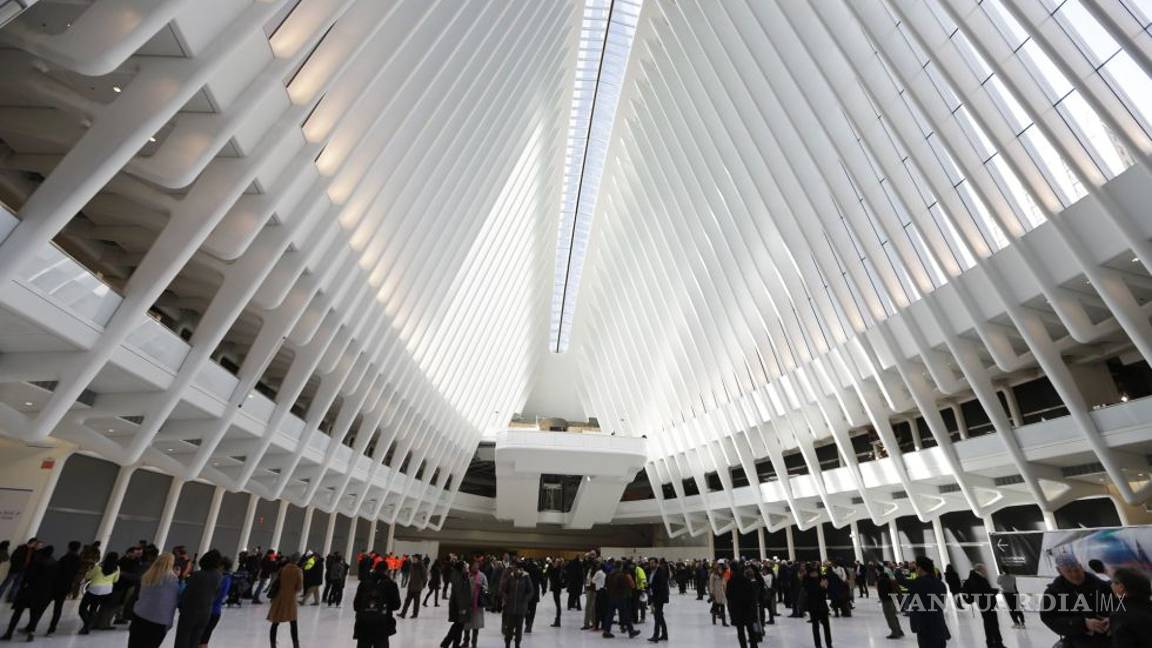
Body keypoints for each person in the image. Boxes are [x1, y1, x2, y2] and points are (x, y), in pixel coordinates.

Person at [1039, 555, 1112, 648]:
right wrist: (1084, 624)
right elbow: (1049, 618)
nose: (1075, 575)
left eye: (1077, 570)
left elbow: (1119, 602)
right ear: (1059, 571)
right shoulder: (1053, 592)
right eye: (1068, 571)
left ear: (1081, 566)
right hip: (1077, 641)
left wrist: (1112, 619)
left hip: (1107, 639)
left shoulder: (1096, 582)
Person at [2, 545, 57, 641]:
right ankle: (30, 633)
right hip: (41, 593)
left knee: (18, 612)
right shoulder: (54, 564)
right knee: (34, 614)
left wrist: (22, 586)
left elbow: (27, 575)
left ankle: (9, 633)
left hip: (28, 590)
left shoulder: (36, 561)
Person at [128, 553, 180, 648]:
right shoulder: (172, 580)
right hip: (159, 621)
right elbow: (171, 603)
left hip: (139, 615)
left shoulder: (147, 576)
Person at [172, 550, 223, 648]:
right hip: (205, 612)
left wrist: (181, 606)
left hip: (190, 612)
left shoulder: (197, 575)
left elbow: (187, 593)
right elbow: (216, 593)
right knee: (195, 640)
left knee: (182, 639)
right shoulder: (218, 576)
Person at [904, 556, 950, 648]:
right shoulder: (941, 584)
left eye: (916, 568)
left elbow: (913, 604)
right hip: (939, 626)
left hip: (925, 628)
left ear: (920, 568)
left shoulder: (918, 583)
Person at [353, 561, 400, 648]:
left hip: (364, 624)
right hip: (382, 624)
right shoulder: (391, 584)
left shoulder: (364, 583)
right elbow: (396, 605)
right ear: (386, 570)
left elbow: (356, 605)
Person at [43, 541, 81, 636]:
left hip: (55, 585)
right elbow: (75, 574)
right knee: (58, 608)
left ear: (69, 547)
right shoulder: (78, 560)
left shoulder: (65, 558)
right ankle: (52, 629)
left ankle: (31, 627)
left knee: (42, 605)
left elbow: (56, 570)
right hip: (65, 587)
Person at [79, 551, 120, 634]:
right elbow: (116, 580)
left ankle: (87, 624)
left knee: (82, 608)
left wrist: (88, 574)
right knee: (94, 608)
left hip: (94, 589)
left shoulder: (99, 567)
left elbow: (88, 576)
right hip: (106, 591)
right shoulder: (117, 568)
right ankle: (88, 626)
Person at [963, 564, 1003, 648]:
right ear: (980, 570)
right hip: (986, 604)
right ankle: (997, 644)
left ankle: (991, 643)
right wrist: (995, 591)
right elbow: (984, 592)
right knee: (993, 624)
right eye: (984, 569)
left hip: (983, 604)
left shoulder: (974, 578)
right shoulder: (978, 579)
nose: (986, 571)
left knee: (988, 624)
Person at [1109, 567, 1152, 648]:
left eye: (1113, 582)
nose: (1111, 585)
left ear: (1121, 587)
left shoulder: (1120, 615)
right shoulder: (1147, 606)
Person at [267, 555, 303, 648]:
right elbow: (299, 587)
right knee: (293, 623)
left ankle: (273, 644)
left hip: (280, 597)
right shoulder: (298, 571)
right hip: (291, 598)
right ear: (297, 561)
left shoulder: (283, 569)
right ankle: (296, 645)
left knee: (275, 622)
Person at [499, 561, 537, 648]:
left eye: (516, 568)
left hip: (521, 609)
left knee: (519, 629)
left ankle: (517, 645)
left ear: (521, 569)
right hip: (510, 608)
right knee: (509, 629)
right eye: (514, 568)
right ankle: (507, 644)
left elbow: (531, 591)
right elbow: (503, 589)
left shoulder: (526, 577)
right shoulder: (510, 577)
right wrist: (506, 597)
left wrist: (526, 599)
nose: (515, 570)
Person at [199, 556, 232, 648]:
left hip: (211, 611)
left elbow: (218, 595)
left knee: (203, 639)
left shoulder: (224, 578)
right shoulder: (225, 578)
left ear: (222, 566)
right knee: (203, 638)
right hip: (214, 611)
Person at [726, 562, 760, 648]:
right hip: (748, 609)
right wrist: (753, 611)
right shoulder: (746, 580)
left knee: (740, 632)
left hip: (737, 611)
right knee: (750, 630)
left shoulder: (731, 582)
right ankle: (754, 646)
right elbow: (752, 597)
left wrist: (731, 613)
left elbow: (729, 597)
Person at [440, 560, 471, 648]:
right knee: (458, 625)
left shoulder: (461, 576)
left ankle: (455, 644)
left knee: (459, 626)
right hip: (459, 606)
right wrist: (462, 608)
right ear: (462, 568)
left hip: (459, 605)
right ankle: (446, 643)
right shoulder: (459, 578)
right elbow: (459, 594)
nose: (467, 568)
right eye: (466, 567)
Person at [803, 564, 832, 648]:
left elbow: (824, 593)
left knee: (826, 626)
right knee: (815, 627)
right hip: (813, 606)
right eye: (813, 572)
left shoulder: (821, 578)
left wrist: (825, 587)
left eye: (816, 572)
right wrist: (821, 587)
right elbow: (810, 591)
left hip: (822, 605)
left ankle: (829, 644)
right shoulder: (807, 580)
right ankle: (818, 645)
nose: (815, 574)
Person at [1, 539, 38, 603]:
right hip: (15, 570)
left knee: (16, 585)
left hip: (23, 571)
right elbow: (13, 558)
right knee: (6, 583)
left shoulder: (32, 551)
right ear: (32, 543)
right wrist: (17, 566)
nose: (35, 545)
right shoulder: (21, 548)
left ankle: (11, 598)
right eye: (35, 543)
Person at [462, 561, 488, 648]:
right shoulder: (467, 575)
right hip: (467, 604)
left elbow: (486, 588)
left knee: (476, 625)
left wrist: (481, 586)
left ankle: (474, 643)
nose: (475, 567)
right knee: (467, 625)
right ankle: (466, 641)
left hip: (477, 605)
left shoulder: (482, 576)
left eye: (477, 566)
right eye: (473, 566)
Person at [877, 567, 905, 639]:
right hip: (891, 599)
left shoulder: (881, 580)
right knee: (893, 616)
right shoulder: (888, 579)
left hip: (886, 600)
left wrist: (882, 598)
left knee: (889, 616)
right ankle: (899, 630)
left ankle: (895, 632)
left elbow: (882, 591)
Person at [647, 558, 669, 643]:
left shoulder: (660, 572)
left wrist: (652, 587)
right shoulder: (652, 572)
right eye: (650, 563)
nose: (651, 565)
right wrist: (648, 586)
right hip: (654, 596)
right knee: (659, 616)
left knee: (657, 616)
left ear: (657, 563)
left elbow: (661, 585)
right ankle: (664, 634)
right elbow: (652, 583)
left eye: (652, 563)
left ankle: (655, 636)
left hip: (659, 597)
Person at [399, 554, 427, 619]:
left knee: (416, 602)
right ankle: (403, 613)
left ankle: (415, 614)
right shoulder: (412, 565)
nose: (413, 559)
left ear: (418, 559)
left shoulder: (421, 566)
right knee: (407, 601)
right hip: (411, 586)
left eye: (415, 558)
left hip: (417, 587)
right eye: (413, 558)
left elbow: (425, 577)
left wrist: (422, 585)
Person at [709, 562, 729, 626]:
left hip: (722, 593)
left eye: (721, 569)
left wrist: (726, 591)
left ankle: (724, 622)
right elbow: (711, 585)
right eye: (719, 569)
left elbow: (725, 584)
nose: (720, 570)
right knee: (715, 608)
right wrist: (712, 593)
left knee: (722, 608)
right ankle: (713, 620)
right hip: (716, 594)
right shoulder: (713, 575)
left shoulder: (723, 575)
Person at [546, 558, 563, 627]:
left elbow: (550, 573)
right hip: (557, 588)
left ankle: (558, 621)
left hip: (556, 588)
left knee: (558, 605)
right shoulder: (559, 569)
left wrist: (550, 564)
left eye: (555, 562)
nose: (554, 563)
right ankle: (557, 620)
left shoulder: (557, 570)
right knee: (558, 605)